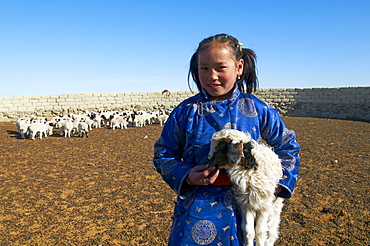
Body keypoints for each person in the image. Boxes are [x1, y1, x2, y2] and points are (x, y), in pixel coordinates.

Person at [153, 33, 300, 245]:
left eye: (220, 68)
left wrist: (276, 184)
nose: (212, 76)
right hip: (197, 209)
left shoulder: (257, 109)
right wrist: (186, 175)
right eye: (204, 68)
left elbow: (288, 146)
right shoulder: (185, 112)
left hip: (245, 208)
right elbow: (163, 154)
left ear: (238, 67)